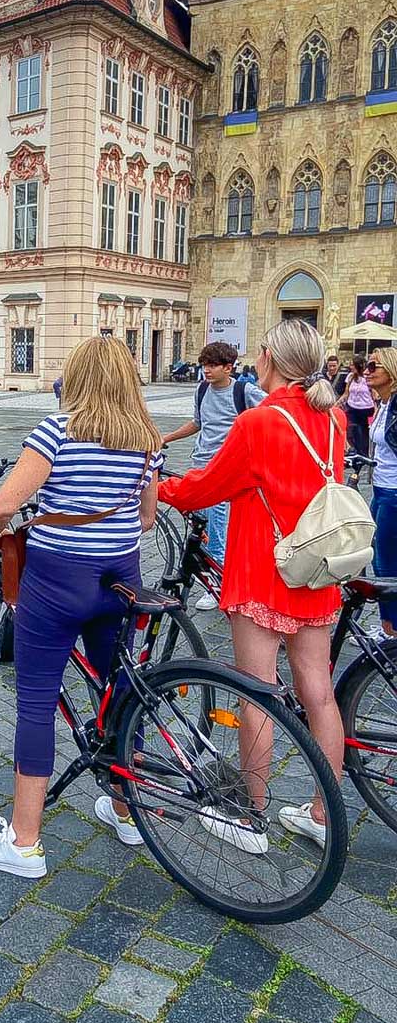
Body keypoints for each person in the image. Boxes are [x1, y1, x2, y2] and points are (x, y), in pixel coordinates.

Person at [0, 337, 162, 875]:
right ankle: (126, 810)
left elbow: (4, 503)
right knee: (120, 691)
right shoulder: (146, 438)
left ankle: (24, 842)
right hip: (121, 576)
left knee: (35, 701)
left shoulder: (57, 431)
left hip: (56, 579)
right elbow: (147, 518)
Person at [160, 319, 346, 849]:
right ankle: (322, 811)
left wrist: (160, 486)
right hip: (316, 569)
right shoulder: (332, 418)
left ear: (269, 358)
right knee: (318, 692)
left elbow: (207, 487)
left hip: (264, 570)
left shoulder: (260, 421)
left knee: (255, 695)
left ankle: (251, 813)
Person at [162, 341, 266, 610]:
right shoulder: (203, 389)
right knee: (202, 525)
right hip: (200, 464)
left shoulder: (245, 391)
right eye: (204, 365)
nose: (206, 370)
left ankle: (218, 584)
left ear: (228, 367)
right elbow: (197, 423)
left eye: (212, 366)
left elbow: (271, 415)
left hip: (226, 470)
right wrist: (168, 437)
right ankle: (216, 577)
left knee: (215, 526)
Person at [367, 348, 397, 636]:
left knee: (387, 564)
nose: (367, 370)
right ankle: (390, 626)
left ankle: (392, 632)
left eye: (374, 366)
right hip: (381, 487)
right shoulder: (385, 403)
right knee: (380, 559)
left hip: (393, 492)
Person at [341, 356, 375, 471]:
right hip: (352, 406)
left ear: (358, 366)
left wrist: (376, 409)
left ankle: (363, 453)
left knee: (363, 431)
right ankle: (356, 451)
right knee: (353, 430)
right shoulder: (350, 377)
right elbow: (346, 393)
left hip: (366, 408)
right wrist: (337, 403)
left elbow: (374, 394)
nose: (350, 366)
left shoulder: (367, 378)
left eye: (352, 364)